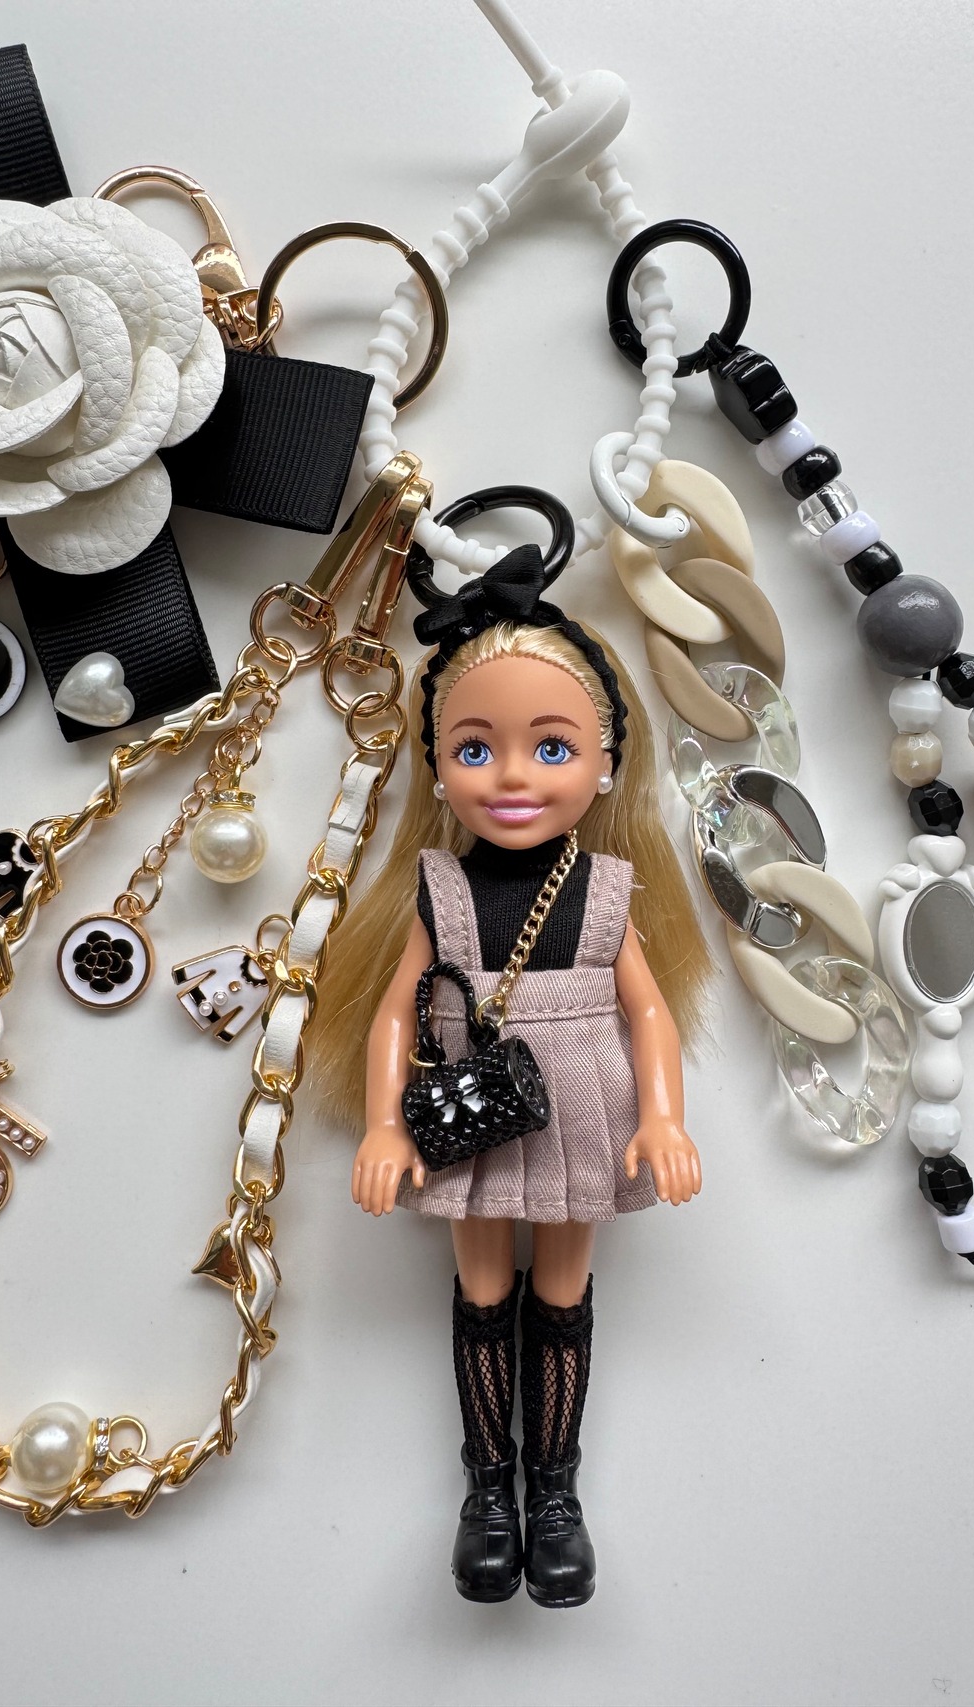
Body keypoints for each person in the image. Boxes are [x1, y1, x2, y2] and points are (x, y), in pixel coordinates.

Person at [314, 543, 711, 1606]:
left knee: (562, 1289)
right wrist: (384, 1125)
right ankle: (489, 1494)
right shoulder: (439, 886)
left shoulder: (608, 887)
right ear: (438, 767)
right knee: (484, 1290)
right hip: (471, 1107)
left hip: (582, 1103)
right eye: (476, 749)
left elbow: (647, 1011)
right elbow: (395, 1009)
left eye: (552, 746)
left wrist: (663, 1117)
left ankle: (558, 1496)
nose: (515, 777)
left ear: (605, 765)